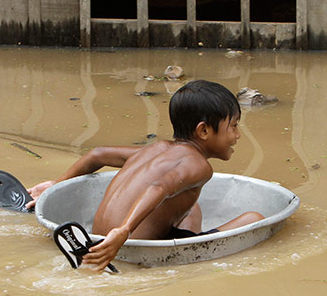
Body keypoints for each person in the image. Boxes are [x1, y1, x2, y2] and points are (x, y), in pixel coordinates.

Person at [27, 80, 264, 271]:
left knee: (191, 206)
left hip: (98, 237)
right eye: (233, 126)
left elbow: (96, 155)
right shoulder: (199, 165)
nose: (238, 135)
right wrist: (124, 231)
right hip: (130, 246)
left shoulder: (155, 149)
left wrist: (54, 187)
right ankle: (185, 258)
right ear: (203, 130)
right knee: (254, 217)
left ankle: (105, 248)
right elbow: (159, 187)